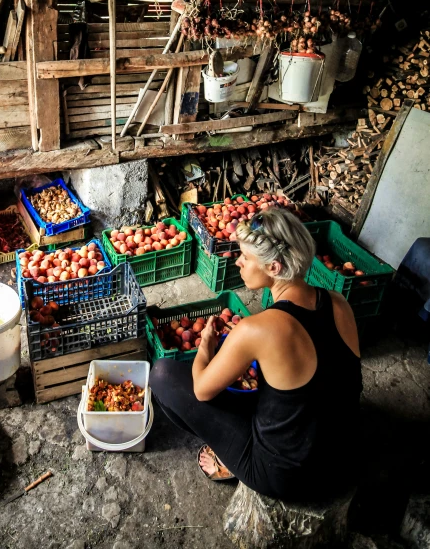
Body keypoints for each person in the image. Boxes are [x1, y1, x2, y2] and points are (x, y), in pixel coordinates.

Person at [149, 208, 362, 501]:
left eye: (246, 258)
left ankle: (230, 459)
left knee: (162, 375)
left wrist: (206, 346)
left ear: (273, 267)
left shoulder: (258, 329)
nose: (238, 262)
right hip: (342, 457)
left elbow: (201, 390)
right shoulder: (338, 302)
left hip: (287, 475)